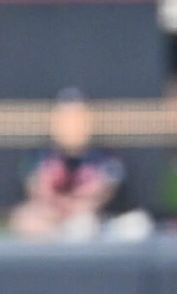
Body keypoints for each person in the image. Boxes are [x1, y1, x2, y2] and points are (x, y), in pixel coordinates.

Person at [9, 88, 124, 239]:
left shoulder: (106, 157)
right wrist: (58, 207)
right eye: (66, 119)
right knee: (25, 218)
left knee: (88, 224)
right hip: (51, 218)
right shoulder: (40, 155)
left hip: (89, 219)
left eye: (78, 119)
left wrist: (78, 206)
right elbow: (35, 189)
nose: (72, 124)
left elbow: (103, 193)